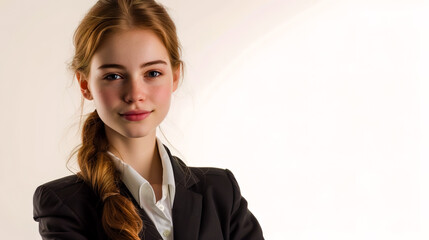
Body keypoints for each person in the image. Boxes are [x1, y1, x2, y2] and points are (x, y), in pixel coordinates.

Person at [32, 0, 264, 239]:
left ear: (175, 77)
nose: (135, 94)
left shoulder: (221, 193)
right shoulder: (65, 205)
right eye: (113, 76)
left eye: (152, 73)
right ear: (85, 85)